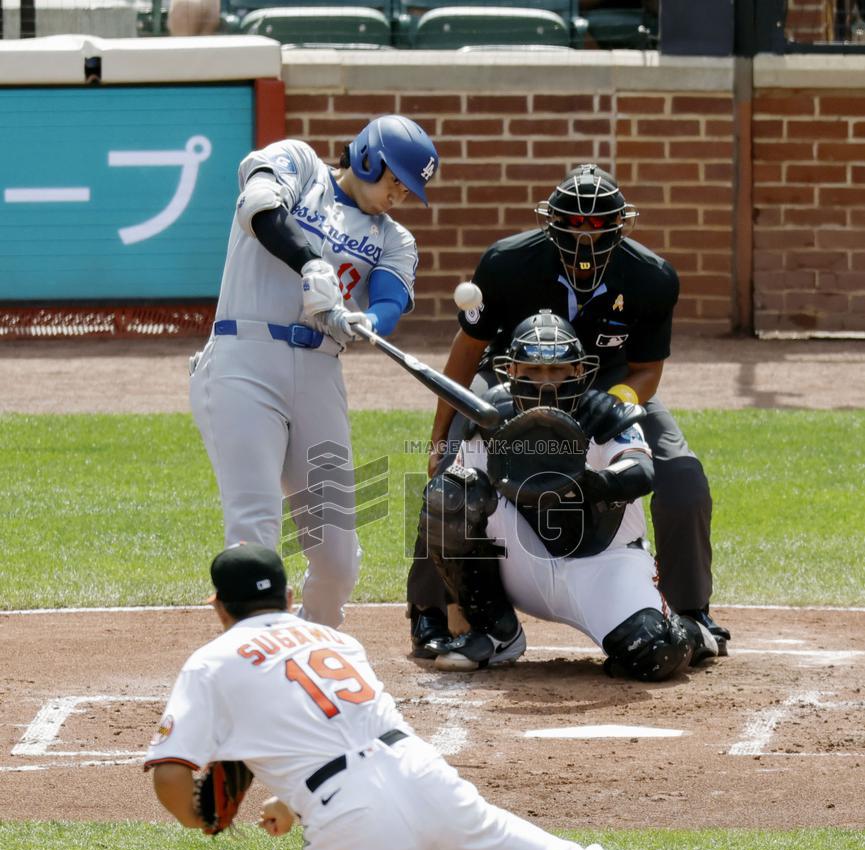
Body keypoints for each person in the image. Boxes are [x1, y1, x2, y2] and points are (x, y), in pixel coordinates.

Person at [146, 542, 835, 850]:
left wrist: (200, 817)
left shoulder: (212, 661)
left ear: (218, 605)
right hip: (423, 779)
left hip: (353, 825)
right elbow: (337, 731)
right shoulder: (330, 637)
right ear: (287, 593)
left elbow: (174, 779)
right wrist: (285, 798)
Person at [407, 163, 729, 658]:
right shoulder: (506, 264)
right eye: (574, 224)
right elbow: (467, 353)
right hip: (514, 381)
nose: (585, 235)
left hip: (609, 383)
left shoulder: (652, 277)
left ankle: (689, 611)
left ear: (621, 225)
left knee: (683, 478)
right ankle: (432, 611)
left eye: (598, 225)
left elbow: (646, 370)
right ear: (549, 222)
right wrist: (440, 439)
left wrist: (616, 402)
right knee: (450, 480)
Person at [190, 115, 439, 627]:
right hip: (245, 358)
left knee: (337, 557)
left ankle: (311, 647)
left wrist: (363, 320)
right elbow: (258, 207)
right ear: (369, 157)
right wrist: (310, 263)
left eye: (408, 190)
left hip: (321, 373)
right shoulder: (301, 165)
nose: (400, 196)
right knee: (255, 527)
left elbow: (390, 301)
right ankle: (252, 661)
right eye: (396, 181)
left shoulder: (396, 239)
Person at [420, 310, 718, 679]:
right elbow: (455, 506)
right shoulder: (490, 418)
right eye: (533, 371)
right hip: (523, 563)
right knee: (448, 495)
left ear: (579, 372)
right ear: (511, 372)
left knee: (656, 654)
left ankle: (690, 631)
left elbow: (640, 471)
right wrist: (457, 610)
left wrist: (590, 483)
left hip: (604, 565)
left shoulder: (604, 414)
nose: (547, 383)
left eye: (559, 371)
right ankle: (495, 633)